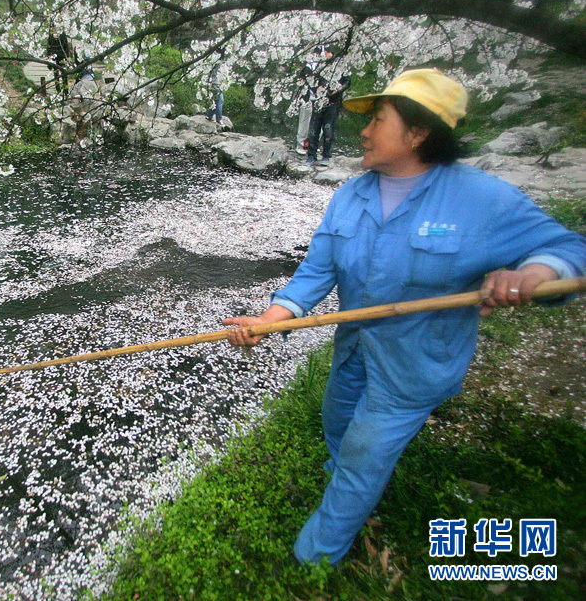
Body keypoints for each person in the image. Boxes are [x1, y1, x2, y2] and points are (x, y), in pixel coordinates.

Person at [223, 68, 586, 566]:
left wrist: (536, 271)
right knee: (337, 423)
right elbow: (316, 271)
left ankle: (316, 558)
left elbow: (568, 247)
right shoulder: (352, 194)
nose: (365, 131)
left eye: (379, 119)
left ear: (418, 132)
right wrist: (270, 318)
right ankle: (343, 477)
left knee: (362, 455)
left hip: (416, 366)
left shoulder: (481, 199)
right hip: (354, 349)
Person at [305, 48, 350, 167]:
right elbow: (310, 80)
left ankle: (326, 155)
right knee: (313, 131)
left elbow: (347, 82)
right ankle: (311, 155)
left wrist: (337, 90)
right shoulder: (319, 66)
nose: (325, 54)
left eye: (328, 52)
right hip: (318, 101)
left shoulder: (340, 66)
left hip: (332, 103)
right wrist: (316, 89)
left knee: (328, 131)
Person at [294, 49, 326, 155]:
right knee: (304, 123)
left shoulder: (324, 67)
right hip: (306, 99)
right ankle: (301, 145)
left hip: (319, 99)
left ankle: (313, 144)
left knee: (318, 124)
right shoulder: (307, 67)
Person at [205, 50, 225, 125]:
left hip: (215, 83)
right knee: (220, 101)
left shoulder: (214, 61)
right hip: (215, 83)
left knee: (216, 101)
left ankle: (209, 115)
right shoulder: (217, 62)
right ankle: (219, 119)